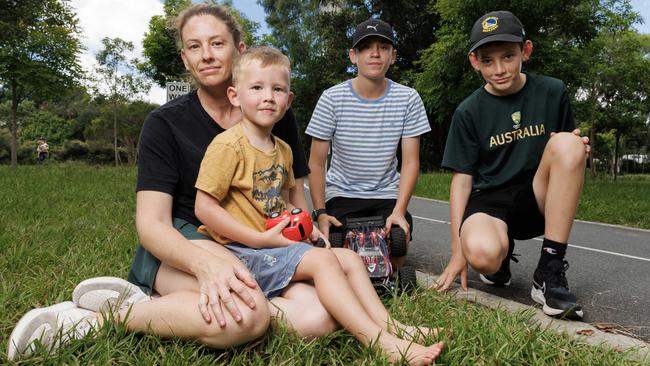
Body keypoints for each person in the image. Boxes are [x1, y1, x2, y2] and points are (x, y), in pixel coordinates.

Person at [7, 4, 336, 361]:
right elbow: (151, 224)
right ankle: (97, 319)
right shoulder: (164, 124)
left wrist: (307, 233)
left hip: (256, 246)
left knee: (316, 319)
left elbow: (292, 191)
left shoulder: (270, 109)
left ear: (240, 50)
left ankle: (158, 306)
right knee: (248, 316)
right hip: (186, 240)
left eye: (217, 43)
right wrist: (203, 265)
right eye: (194, 47)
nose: (206, 56)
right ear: (184, 58)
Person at [194, 45, 444, 365]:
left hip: (274, 245)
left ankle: (395, 327)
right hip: (242, 251)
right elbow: (204, 208)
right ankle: (380, 343)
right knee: (324, 264)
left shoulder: (282, 149)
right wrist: (259, 239)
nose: (268, 96)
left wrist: (310, 232)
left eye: (278, 89)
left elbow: (286, 204)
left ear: (289, 100)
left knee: (350, 260)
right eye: (256, 88)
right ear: (234, 96)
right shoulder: (228, 146)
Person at [434, 10, 590, 320]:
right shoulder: (468, 111)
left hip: (534, 195)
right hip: (489, 199)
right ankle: (499, 259)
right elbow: (462, 181)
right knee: (482, 253)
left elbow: (563, 150)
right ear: (474, 61)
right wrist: (457, 251)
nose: (500, 68)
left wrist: (574, 149)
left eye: (508, 56)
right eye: (488, 60)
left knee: (571, 143)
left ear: (525, 51)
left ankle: (549, 271)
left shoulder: (552, 91)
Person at [307, 18, 430, 269]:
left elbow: (410, 161)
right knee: (336, 257)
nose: (375, 54)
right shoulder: (331, 98)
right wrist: (320, 214)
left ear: (393, 56)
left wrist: (399, 211)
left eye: (383, 47)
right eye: (366, 47)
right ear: (353, 56)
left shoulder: (408, 98)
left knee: (395, 255)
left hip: (386, 194)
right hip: (342, 193)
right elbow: (317, 163)